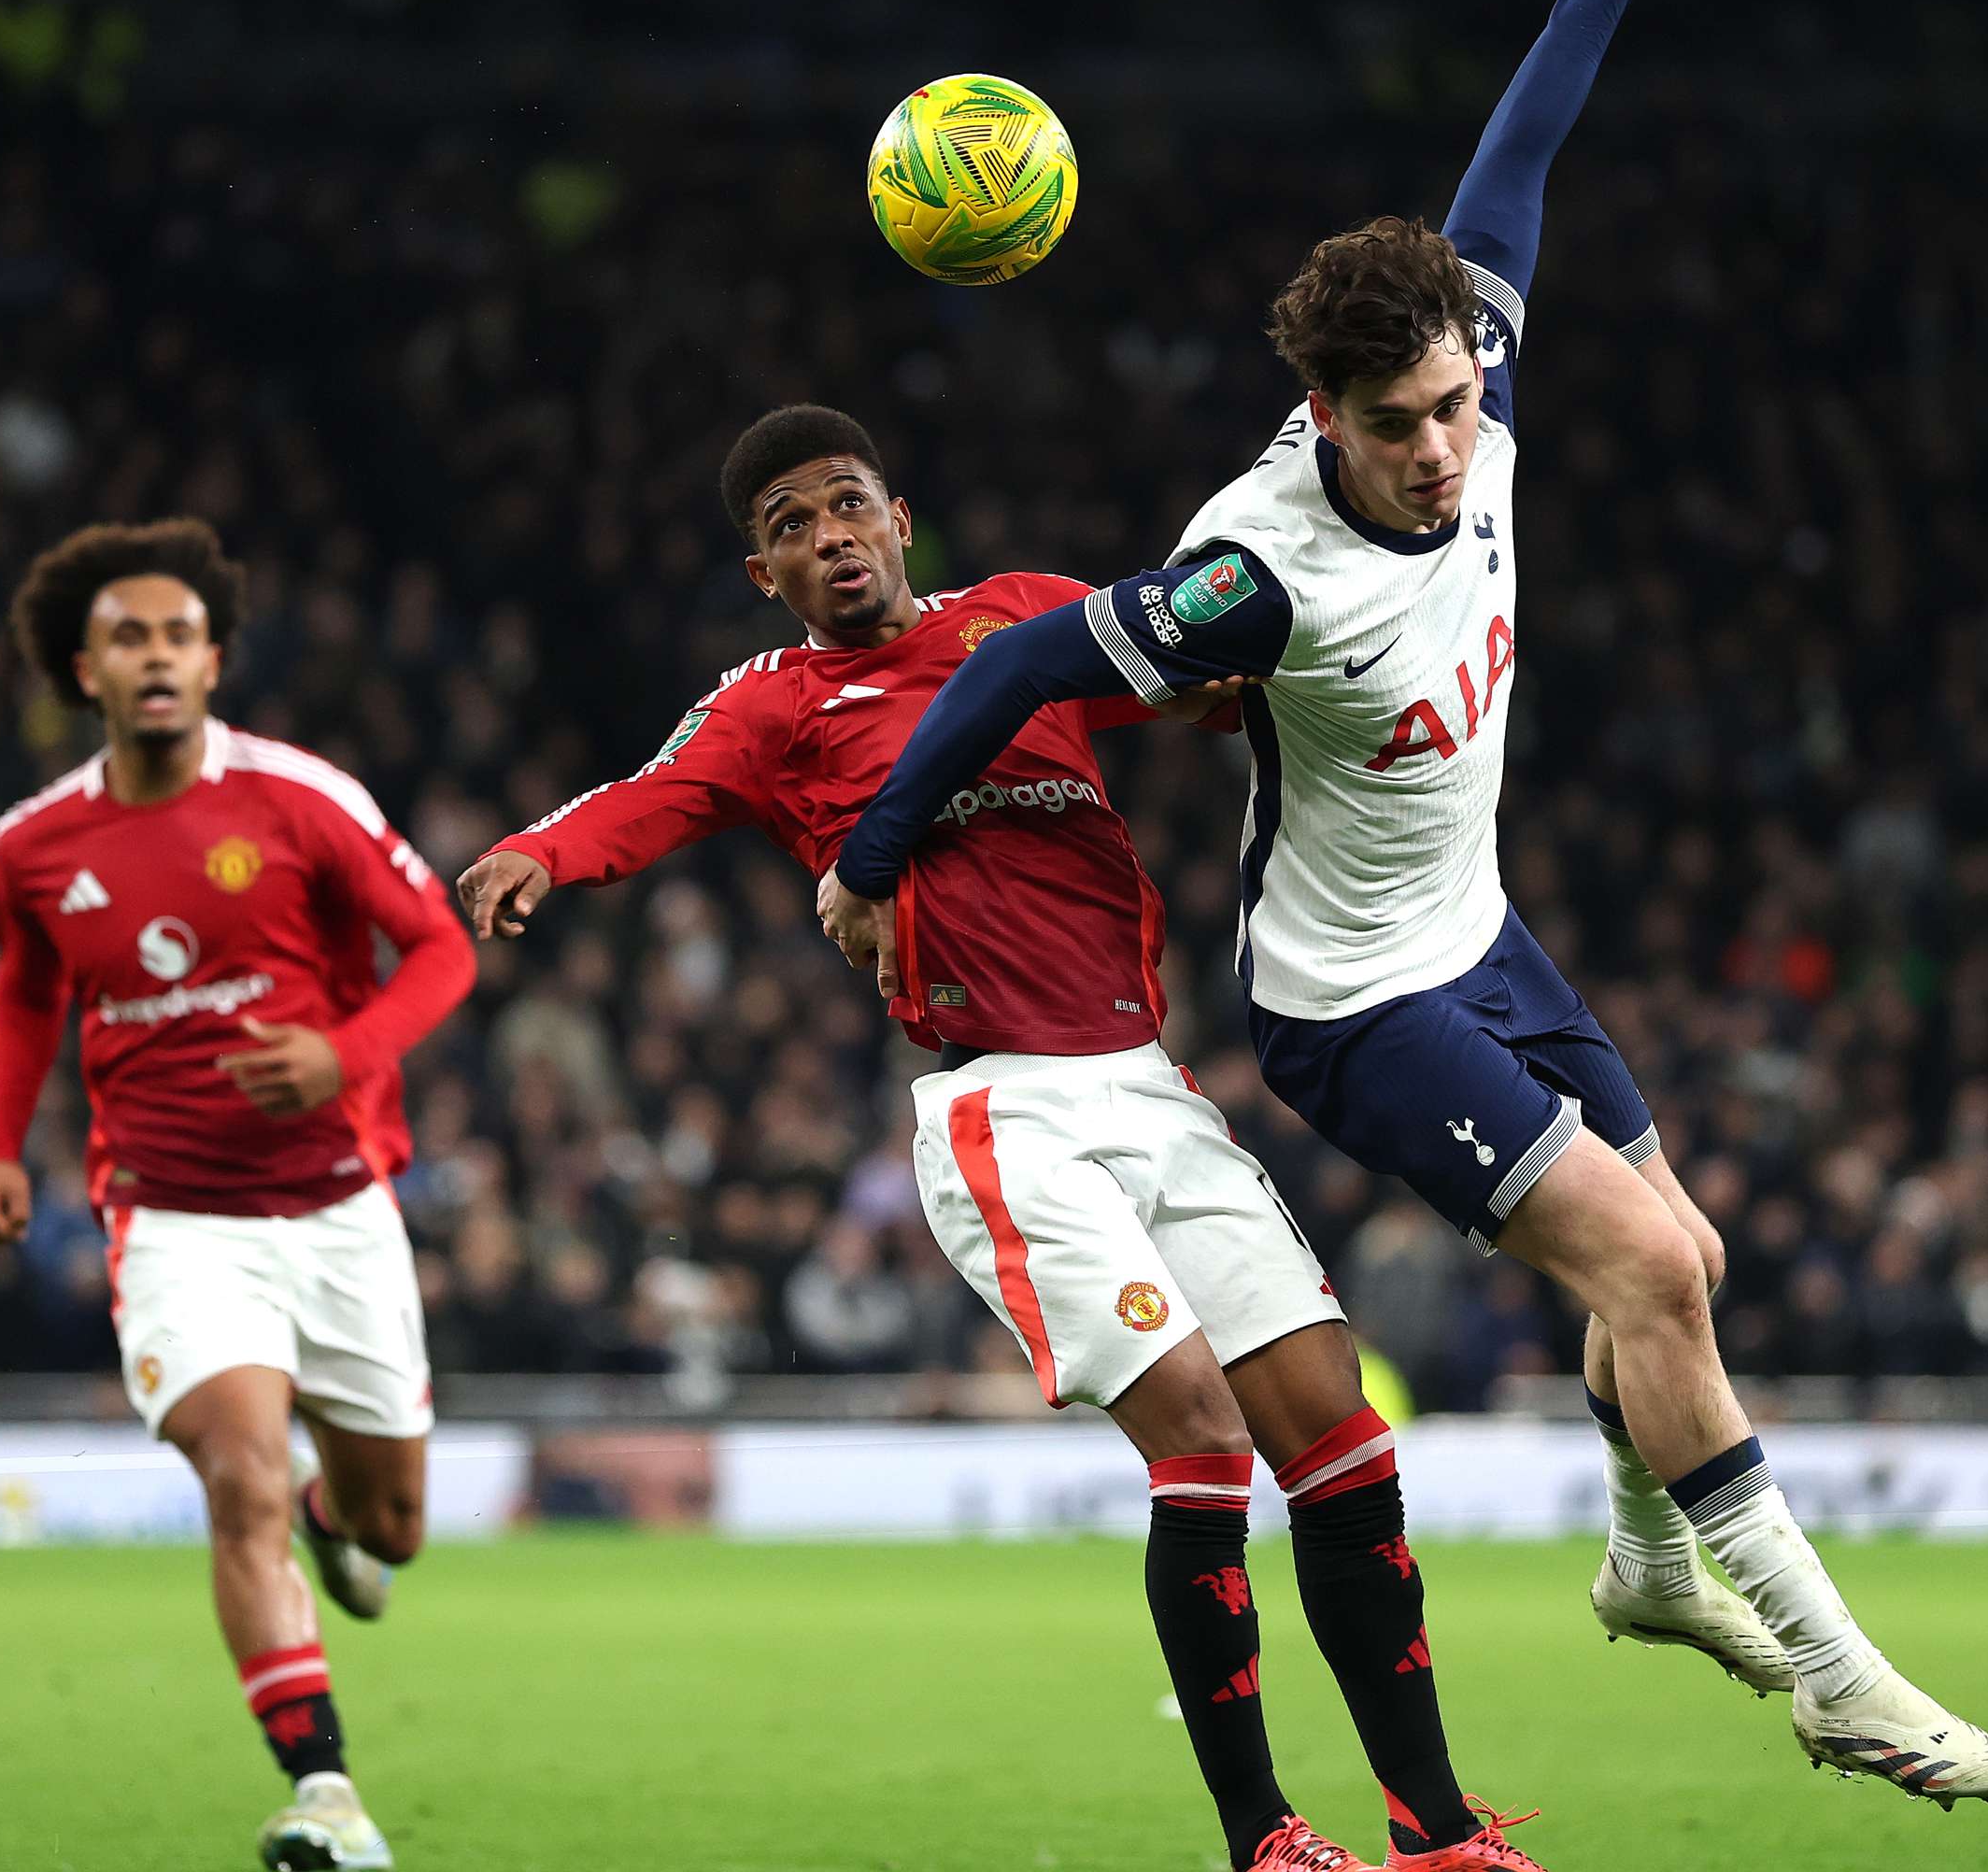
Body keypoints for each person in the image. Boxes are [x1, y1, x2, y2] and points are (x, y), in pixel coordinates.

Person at [815, 0, 1988, 1812]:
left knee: (1684, 1262)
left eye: (1460, 405)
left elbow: (1523, 150)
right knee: (1645, 1267)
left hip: (1479, 931)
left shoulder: (1474, 363)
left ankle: (1648, 1571)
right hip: (1349, 1002)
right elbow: (1021, 660)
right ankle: (1841, 1677)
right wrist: (870, 863)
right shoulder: (1253, 572)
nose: (1449, 449)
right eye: (1400, 426)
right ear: (1322, 411)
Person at [454, 404, 1521, 1872]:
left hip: (1150, 1087)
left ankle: (1437, 1832)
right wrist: (536, 854)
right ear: (764, 574)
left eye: (846, 505)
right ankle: (1265, 1837)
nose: (829, 537)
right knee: (1202, 1441)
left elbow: (1206, 671)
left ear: (900, 517)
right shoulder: (774, 707)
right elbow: (646, 796)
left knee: (1341, 1440)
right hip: (1003, 1107)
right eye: (789, 528)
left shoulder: (1022, 617)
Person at [0, 519, 475, 1871]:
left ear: (212, 660)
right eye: (127, 637)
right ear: (86, 670)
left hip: (336, 1206)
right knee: (239, 1475)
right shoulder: (32, 845)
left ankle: (338, 1518)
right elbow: (27, 992)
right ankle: (328, 1797)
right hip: (173, 1217)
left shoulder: (305, 799)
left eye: (178, 636)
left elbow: (438, 950)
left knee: (394, 1531)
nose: (154, 657)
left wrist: (342, 1055)